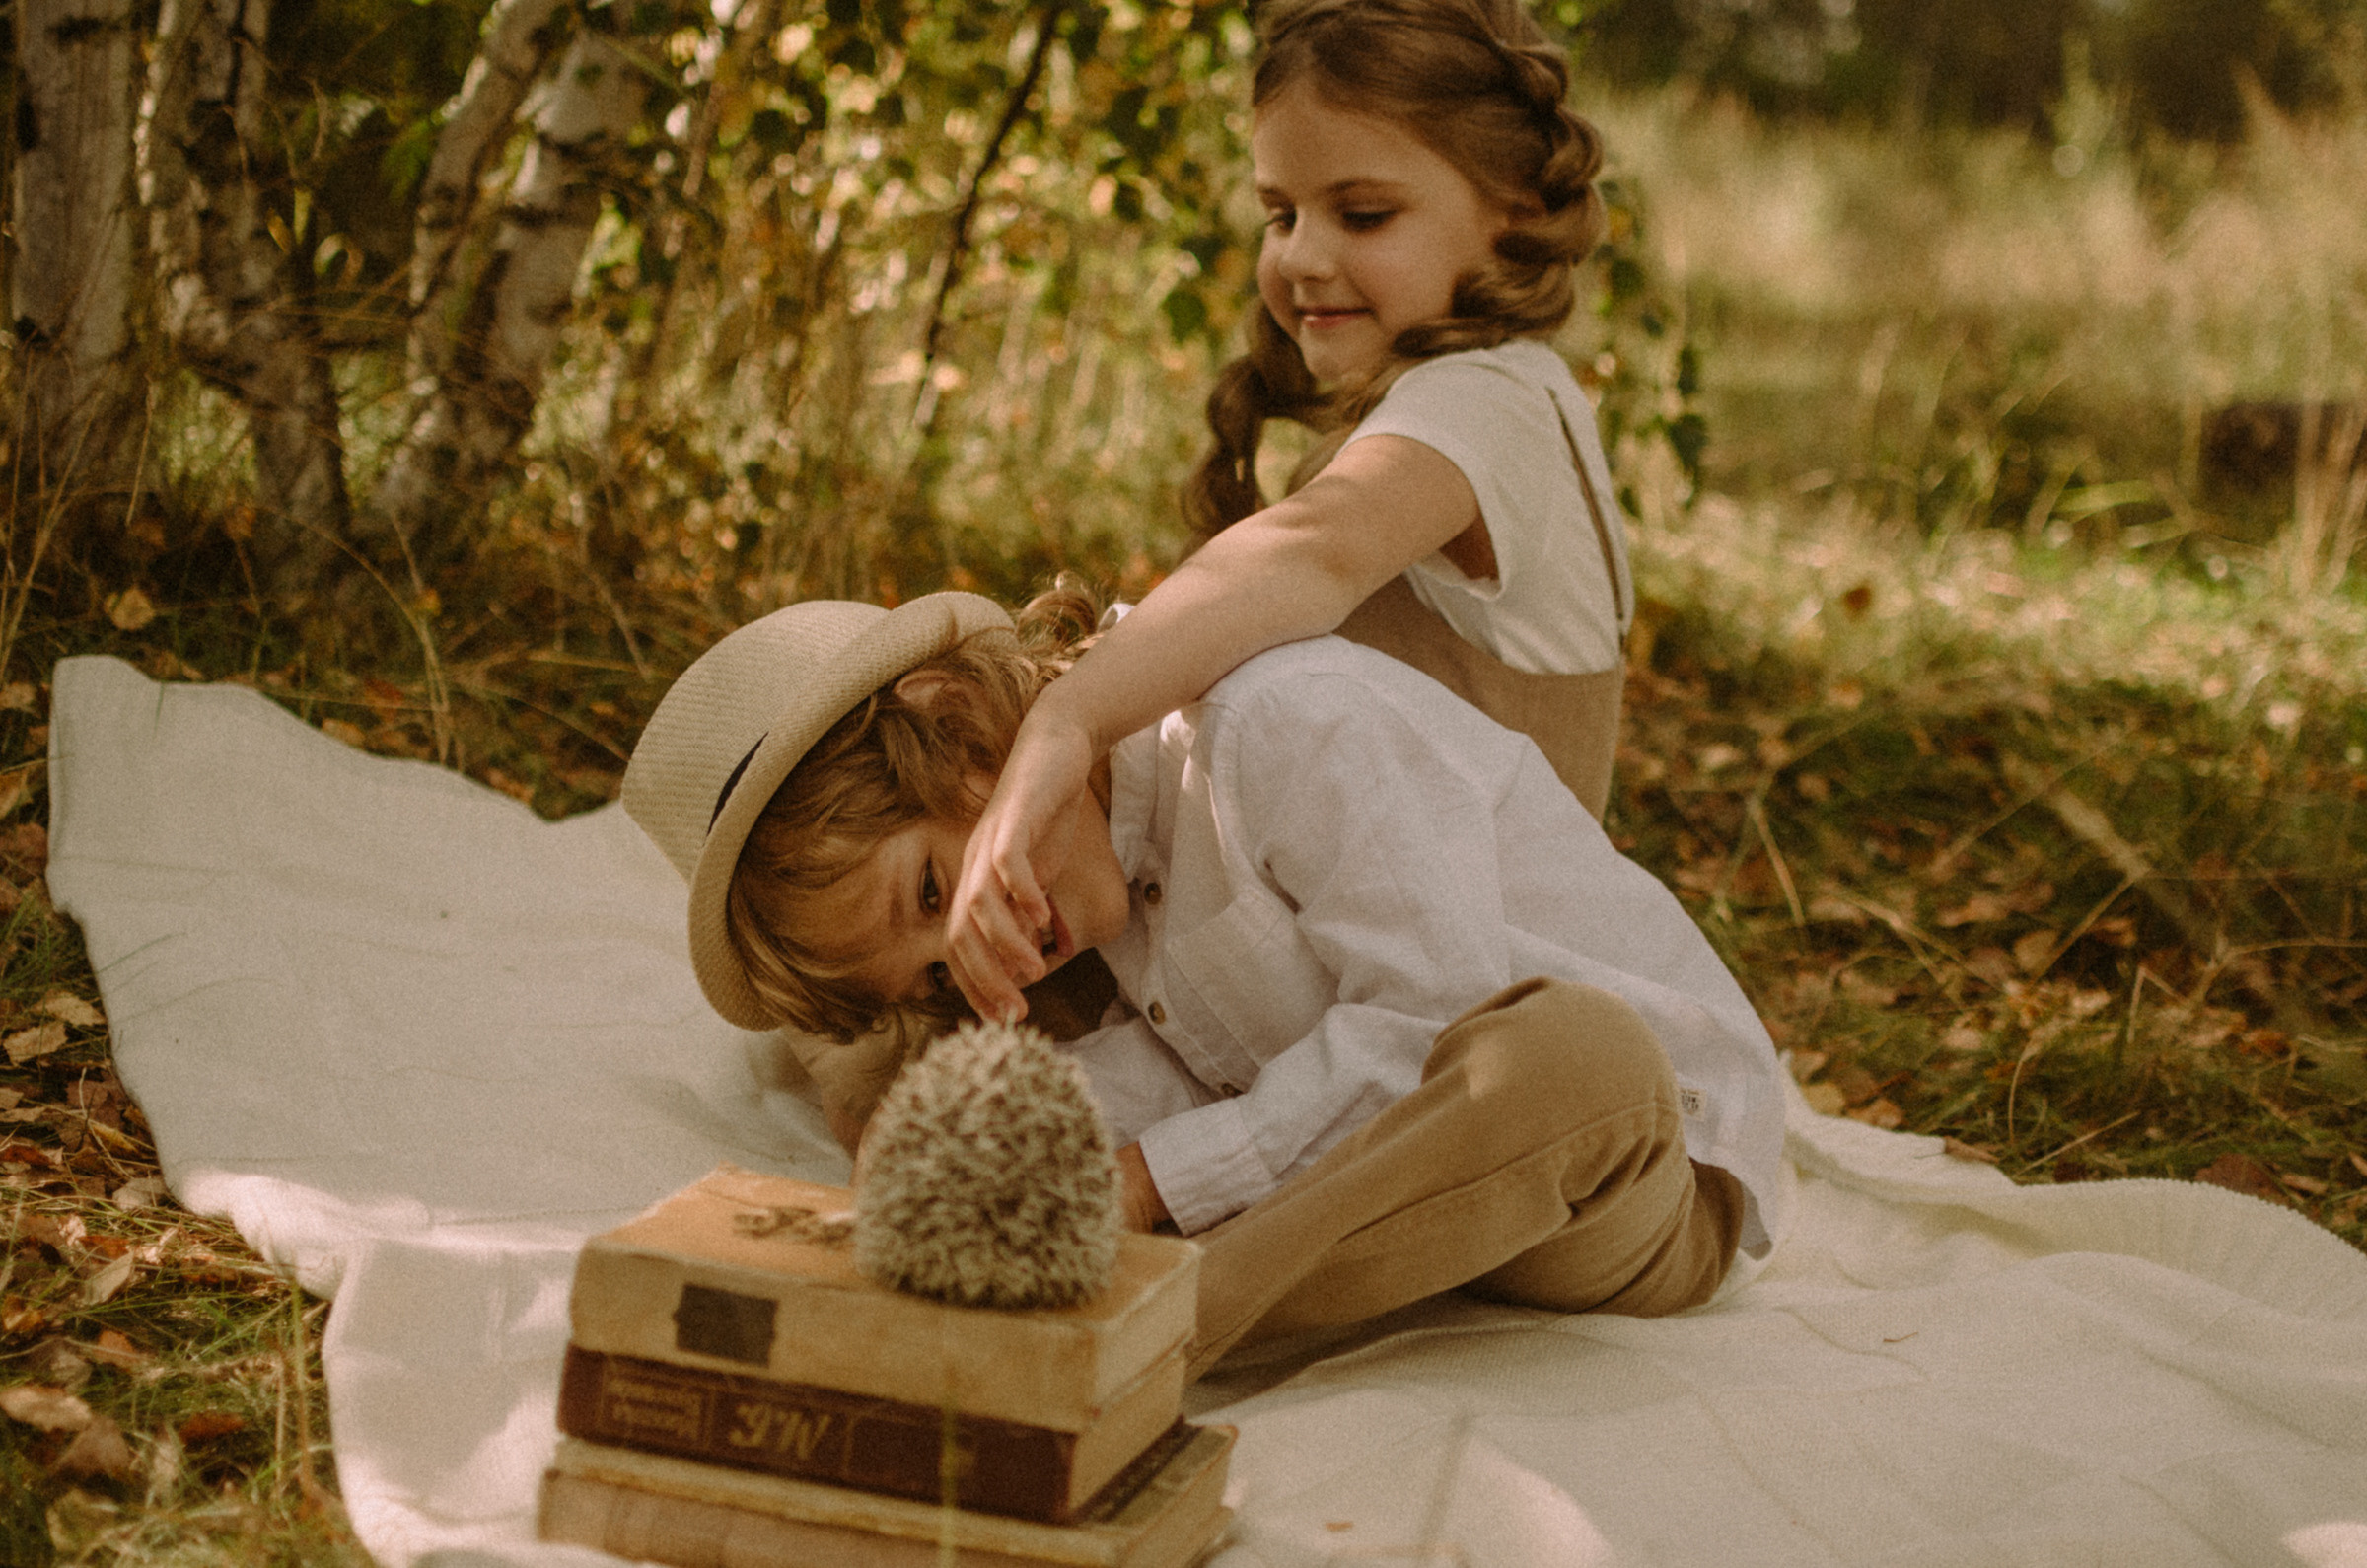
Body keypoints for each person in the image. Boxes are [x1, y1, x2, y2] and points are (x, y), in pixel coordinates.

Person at [620, 589, 1787, 1375]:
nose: (982, 954)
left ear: (958, 722)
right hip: (1406, 1213)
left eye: (932, 893)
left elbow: (1429, 1018)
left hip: (1638, 1163)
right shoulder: (1101, 897)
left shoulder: (1278, 725)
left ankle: (1116, 1356)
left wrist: (1129, 1191)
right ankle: (1085, 1327)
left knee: (1563, 1058)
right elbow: (1188, 1081)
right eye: (932, 971)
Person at [946, 0, 1639, 1027]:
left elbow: (1310, 553)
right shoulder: (1452, 403)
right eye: (1282, 214)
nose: (1303, 257)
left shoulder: (1488, 401)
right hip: (1354, 923)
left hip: (1437, 979)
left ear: (1518, 212)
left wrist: (1067, 718)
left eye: (1361, 216)